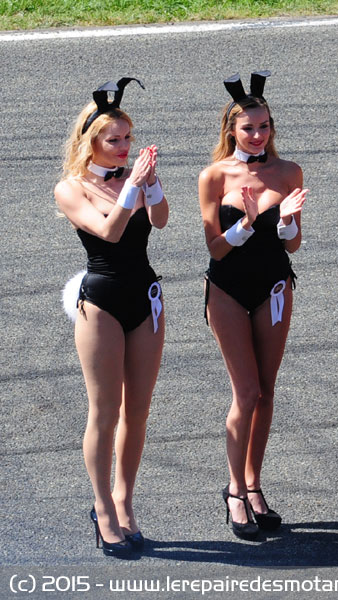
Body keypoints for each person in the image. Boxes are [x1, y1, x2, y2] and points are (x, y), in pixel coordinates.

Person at [55, 78, 167, 557]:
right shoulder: (71, 188)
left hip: (145, 296)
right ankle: (102, 507)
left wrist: (150, 182)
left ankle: (124, 499)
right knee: (104, 412)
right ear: (91, 142)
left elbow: (160, 220)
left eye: (128, 137)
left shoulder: (131, 179)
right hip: (100, 302)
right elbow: (109, 232)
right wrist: (132, 187)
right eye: (114, 139)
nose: (124, 146)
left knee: (137, 412)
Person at [199, 71, 307, 539]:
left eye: (264, 126)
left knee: (265, 392)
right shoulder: (214, 176)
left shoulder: (288, 172)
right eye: (249, 128)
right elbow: (215, 248)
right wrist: (243, 224)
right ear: (231, 130)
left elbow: (293, 244)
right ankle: (234, 489)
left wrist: (286, 224)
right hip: (227, 289)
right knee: (244, 392)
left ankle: (254, 484)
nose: (258, 135)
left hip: (274, 288)